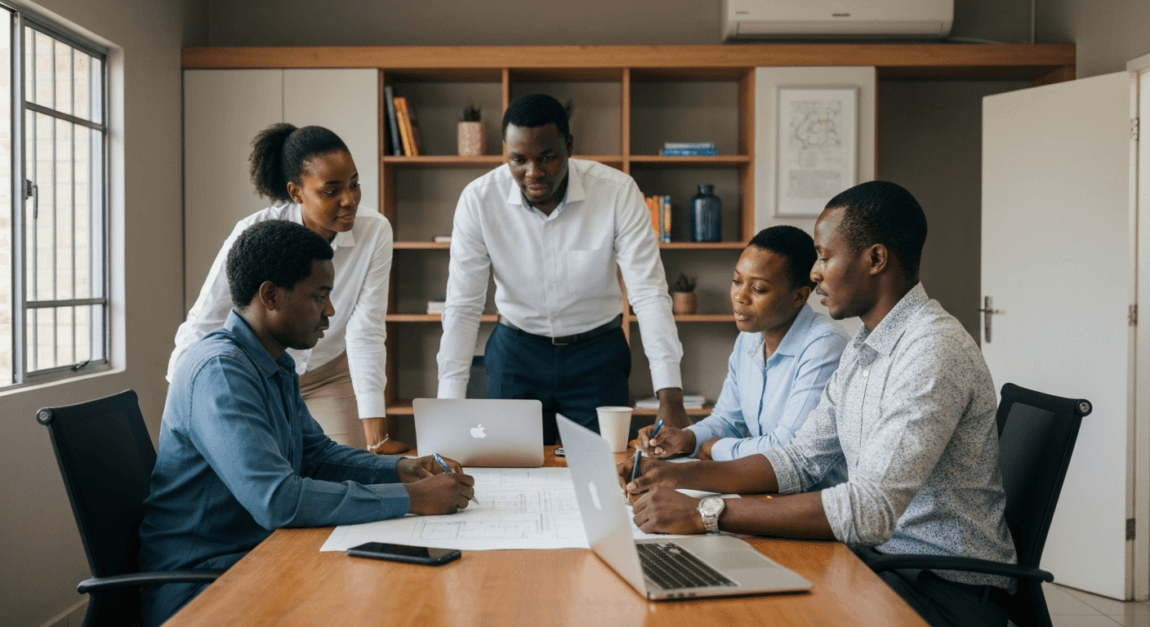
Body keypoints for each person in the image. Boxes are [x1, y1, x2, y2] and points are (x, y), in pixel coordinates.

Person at [620, 181, 1017, 627]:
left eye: (825, 257)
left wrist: (704, 512)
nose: (813, 273)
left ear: (875, 259)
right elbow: (800, 459)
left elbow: (870, 509)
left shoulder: (931, 350)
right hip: (879, 559)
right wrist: (675, 474)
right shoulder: (865, 345)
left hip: (942, 586)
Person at [139, 220, 475, 627]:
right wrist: (412, 499)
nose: (330, 310)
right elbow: (277, 499)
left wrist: (402, 469)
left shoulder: (273, 362)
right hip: (201, 584)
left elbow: (315, 455)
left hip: (256, 557)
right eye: (319, 296)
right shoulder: (220, 373)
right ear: (270, 296)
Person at [437, 93, 687, 443]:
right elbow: (463, 306)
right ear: (505, 152)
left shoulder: (617, 191)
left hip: (597, 355)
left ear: (568, 146)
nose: (533, 173)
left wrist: (670, 395)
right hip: (516, 353)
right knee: (510, 463)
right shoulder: (478, 200)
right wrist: (449, 404)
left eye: (547, 157)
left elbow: (648, 294)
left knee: (603, 465)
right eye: (519, 160)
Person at [168, 123, 410, 454]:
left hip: (329, 375)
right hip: (257, 375)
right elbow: (205, 320)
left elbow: (365, 331)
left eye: (354, 185)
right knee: (266, 468)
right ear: (296, 193)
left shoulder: (375, 231)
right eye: (331, 191)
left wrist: (376, 439)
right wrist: (180, 408)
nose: (349, 200)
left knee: (345, 468)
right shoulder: (255, 232)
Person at [636, 225, 849, 461]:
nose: (740, 296)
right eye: (737, 281)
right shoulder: (749, 339)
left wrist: (713, 449)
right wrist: (683, 439)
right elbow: (728, 421)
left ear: (799, 296)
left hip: (810, 484)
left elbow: (787, 449)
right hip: (764, 481)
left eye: (758, 288)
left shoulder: (824, 346)